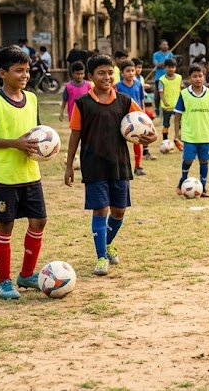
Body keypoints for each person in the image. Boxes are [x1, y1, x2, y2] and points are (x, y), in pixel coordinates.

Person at [65, 54, 156, 276]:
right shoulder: (82, 104)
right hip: (93, 164)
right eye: (101, 73)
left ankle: (107, 243)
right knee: (100, 210)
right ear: (90, 77)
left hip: (119, 164)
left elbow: (145, 124)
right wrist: (69, 165)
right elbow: (75, 136)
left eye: (109, 73)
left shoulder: (124, 101)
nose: (107, 77)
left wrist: (151, 137)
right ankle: (101, 257)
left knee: (118, 210)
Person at [0, 47, 45, 299]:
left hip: (30, 174)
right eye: (19, 70)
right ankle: (3, 281)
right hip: (3, 177)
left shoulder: (32, 98)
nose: (25, 75)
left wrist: (44, 147)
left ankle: (26, 274)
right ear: (2, 73)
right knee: (6, 226)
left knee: (39, 221)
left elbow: (37, 132)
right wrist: (15, 143)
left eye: (27, 70)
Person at [173, 64, 209, 197]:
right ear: (190, 78)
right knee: (188, 160)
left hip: (205, 134)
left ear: (204, 77)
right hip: (189, 135)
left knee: (204, 161)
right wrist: (176, 134)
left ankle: (203, 188)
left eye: (200, 76)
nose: (198, 79)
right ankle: (182, 180)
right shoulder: (184, 94)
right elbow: (177, 116)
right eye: (195, 76)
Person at [115, 60, 147, 176]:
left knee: (138, 141)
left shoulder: (138, 84)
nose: (131, 73)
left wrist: (143, 113)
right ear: (122, 72)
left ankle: (138, 166)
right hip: (122, 118)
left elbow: (141, 100)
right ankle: (120, 166)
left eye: (132, 70)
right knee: (119, 143)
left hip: (137, 118)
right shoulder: (117, 86)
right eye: (128, 71)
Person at [157, 58, 182, 141]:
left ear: (175, 68)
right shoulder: (162, 80)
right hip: (167, 106)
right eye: (169, 67)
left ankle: (179, 138)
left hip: (178, 105)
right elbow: (161, 92)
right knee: (166, 124)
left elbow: (181, 88)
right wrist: (164, 101)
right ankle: (165, 140)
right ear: (165, 67)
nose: (171, 69)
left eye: (173, 67)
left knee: (180, 123)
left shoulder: (179, 77)